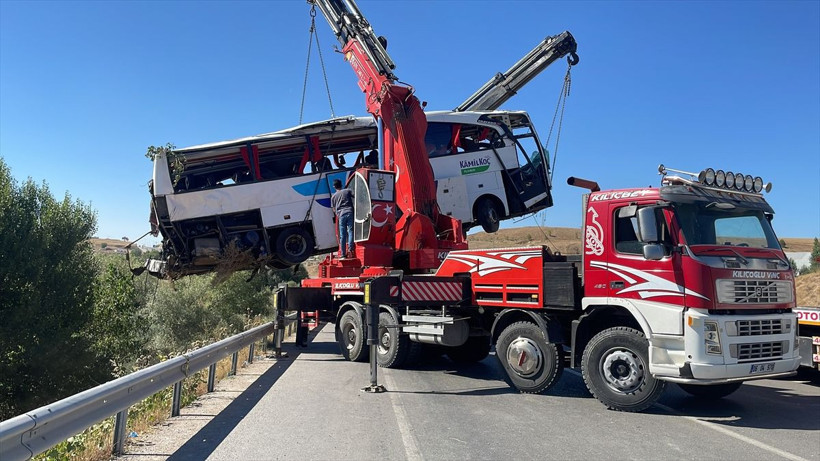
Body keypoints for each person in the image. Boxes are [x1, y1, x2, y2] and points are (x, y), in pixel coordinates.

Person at [330, 179, 355, 258]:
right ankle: (351, 248)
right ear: (341, 184)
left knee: (343, 235)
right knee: (350, 230)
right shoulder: (347, 191)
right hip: (350, 212)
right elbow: (356, 196)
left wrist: (338, 213)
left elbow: (333, 209)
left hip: (341, 215)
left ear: (334, 186)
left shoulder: (333, 197)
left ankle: (343, 254)